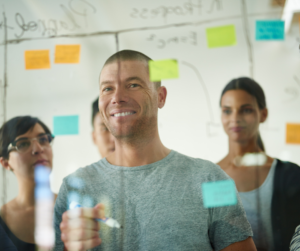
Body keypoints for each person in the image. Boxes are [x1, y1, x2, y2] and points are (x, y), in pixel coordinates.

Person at [54, 50, 256, 251]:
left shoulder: (212, 179)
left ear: (161, 97)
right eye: (107, 88)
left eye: (133, 85)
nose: (117, 97)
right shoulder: (74, 189)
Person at [217, 77, 300, 251]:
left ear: (263, 114)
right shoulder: (210, 175)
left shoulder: (290, 175)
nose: (235, 118)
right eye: (227, 111)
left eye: (245, 110)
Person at [0, 116, 55, 250]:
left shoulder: (73, 207)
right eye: (23, 143)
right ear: (6, 163)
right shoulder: (2, 219)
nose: (38, 149)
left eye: (43, 140)